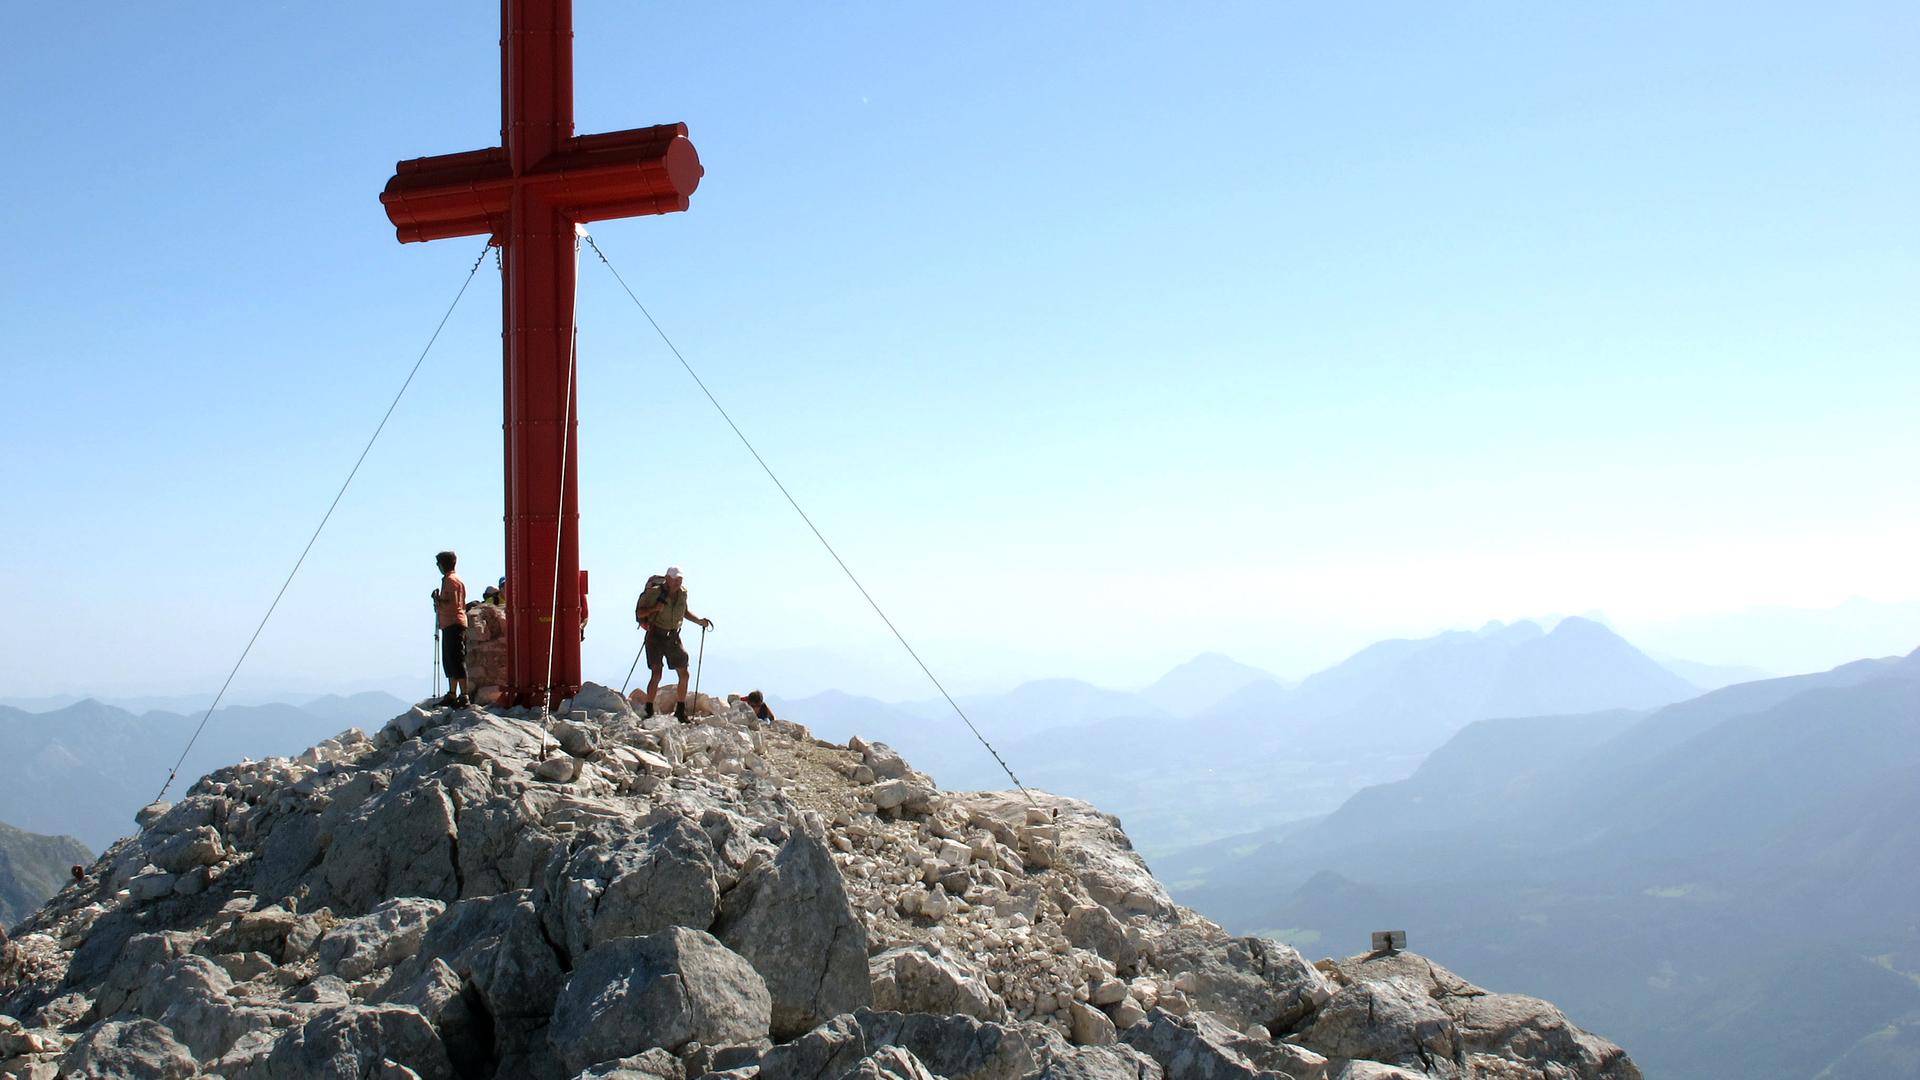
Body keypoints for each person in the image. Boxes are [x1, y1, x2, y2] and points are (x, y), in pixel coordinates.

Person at [634, 565, 712, 722]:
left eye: (680, 579)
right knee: (657, 673)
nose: (677, 582)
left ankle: (680, 711)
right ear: (667, 579)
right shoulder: (655, 593)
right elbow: (640, 612)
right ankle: (649, 709)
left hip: (673, 636)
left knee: (684, 673)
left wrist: (699, 621)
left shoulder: (682, 593)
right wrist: (655, 608)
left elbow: (683, 611)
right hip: (655, 635)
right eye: (675, 579)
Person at [433, 550, 469, 708]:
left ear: (443, 564)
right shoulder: (454, 580)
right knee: (450, 660)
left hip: (453, 623)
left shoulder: (451, 581)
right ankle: (453, 693)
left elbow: (452, 603)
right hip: (451, 623)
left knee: (456, 659)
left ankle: (463, 695)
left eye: (438, 563)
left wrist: (438, 600)